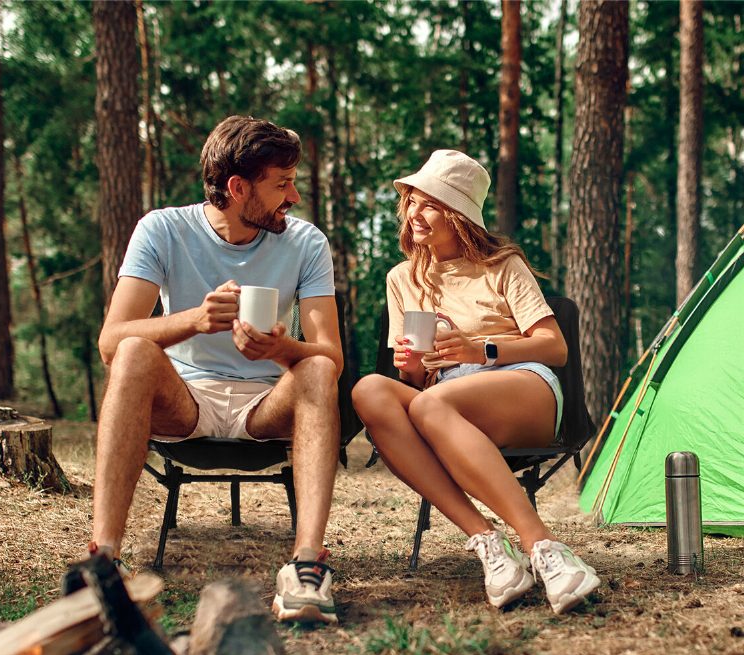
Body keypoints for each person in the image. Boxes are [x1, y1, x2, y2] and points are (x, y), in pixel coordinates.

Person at [88, 115, 342, 624]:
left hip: (264, 406)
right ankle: (104, 561)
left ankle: (308, 566)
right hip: (184, 399)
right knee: (135, 350)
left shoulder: (306, 242)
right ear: (237, 187)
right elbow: (110, 342)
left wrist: (279, 348)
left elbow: (330, 355)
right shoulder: (162, 229)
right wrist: (195, 320)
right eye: (282, 184)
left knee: (315, 370)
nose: (293, 197)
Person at [353, 149, 600, 614]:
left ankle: (544, 548)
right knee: (370, 389)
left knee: (429, 406)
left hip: (521, 383)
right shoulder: (401, 278)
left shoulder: (502, 265)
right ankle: (488, 541)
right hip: (446, 402)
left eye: (429, 203)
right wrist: (410, 363)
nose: (414, 212)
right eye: (411, 200)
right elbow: (412, 374)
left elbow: (554, 346)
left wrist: (479, 349)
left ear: (459, 214)